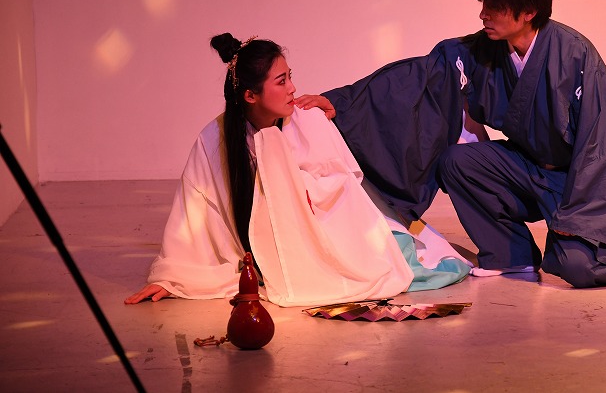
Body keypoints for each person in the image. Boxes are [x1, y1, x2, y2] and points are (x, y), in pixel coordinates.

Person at [324, 0, 606, 288]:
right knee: (458, 162)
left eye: (495, 7)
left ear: (529, 11)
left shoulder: (574, 55)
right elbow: (419, 76)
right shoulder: (483, 48)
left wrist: (578, 216)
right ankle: (510, 255)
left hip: (575, 182)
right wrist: (340, 102)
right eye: (484, 4)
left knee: (578, 267)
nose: (483, 15)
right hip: (525, 168)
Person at [125, 34, 470, 307]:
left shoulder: (309, 119)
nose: (292, 88)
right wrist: (173, 276)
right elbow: (195, 211)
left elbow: (346, 186)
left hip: (329, 235)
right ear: (250, 96)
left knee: (392, 260)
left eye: (290, 77)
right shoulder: (214, 139)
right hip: (266, 249)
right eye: (280, 81)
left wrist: (300, 188)